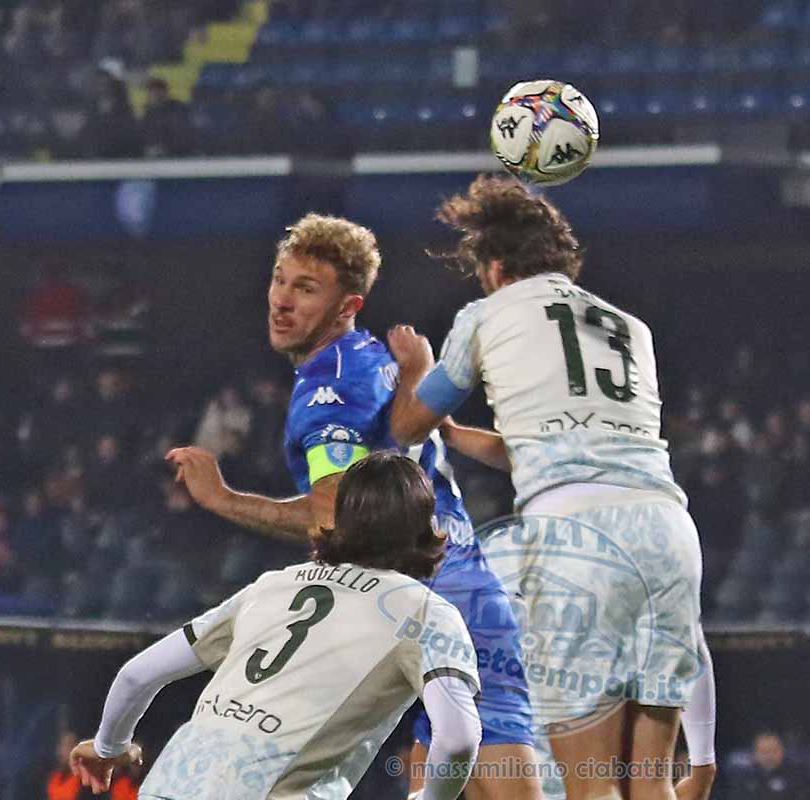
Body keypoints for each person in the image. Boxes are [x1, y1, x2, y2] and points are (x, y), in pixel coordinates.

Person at [164, 213, 541, 799]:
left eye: (305, 289)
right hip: (445, 592)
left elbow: (333, 517)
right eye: (280, 280)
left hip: (424, 599)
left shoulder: (330, 389)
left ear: (348, 305)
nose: (282, 301)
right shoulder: (371, 358)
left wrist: (224, 500)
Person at [387, 175, 717, 800]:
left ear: (495, 266)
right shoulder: (630, 328)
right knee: (651, 786)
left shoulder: (486, 315)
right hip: (667, 530)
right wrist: (460, 437)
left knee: (593, 788)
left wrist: (416, 368)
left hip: (577, 536)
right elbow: (560, 445)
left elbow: (407, 424)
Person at [69, 453, 482, 800]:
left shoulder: (272, 585)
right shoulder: (425, 612)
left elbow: (137, 674)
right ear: (426, 528)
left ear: (338, 518)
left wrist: (108, 747)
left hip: (170, 787)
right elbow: (458, 738)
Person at [734, 731, 810, 800]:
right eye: (763, 751)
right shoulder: (743, 778)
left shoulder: (799, 776)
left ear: (782, 752)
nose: (769, 755)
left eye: (774, 750)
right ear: (755, 754)